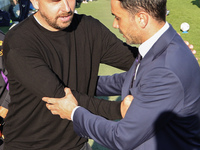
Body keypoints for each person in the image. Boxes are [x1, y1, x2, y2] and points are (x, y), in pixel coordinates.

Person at [43, 0, 200, 149]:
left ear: (141, 19)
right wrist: (77, 81)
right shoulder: (161, 45)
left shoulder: (165, 71)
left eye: (118, 17)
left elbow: (121, 137)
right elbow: (128, 80)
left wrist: (74, 112)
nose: (115, 24)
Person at [2, 0, 138, 149]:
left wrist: (161, 49)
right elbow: (62, 99)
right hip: (27, 145)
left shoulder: (88, 27)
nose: (66, 8)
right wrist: (119, 109)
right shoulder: (19, 41)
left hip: (77, 144)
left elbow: (133, 60)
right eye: (55, 1)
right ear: (35, 2)